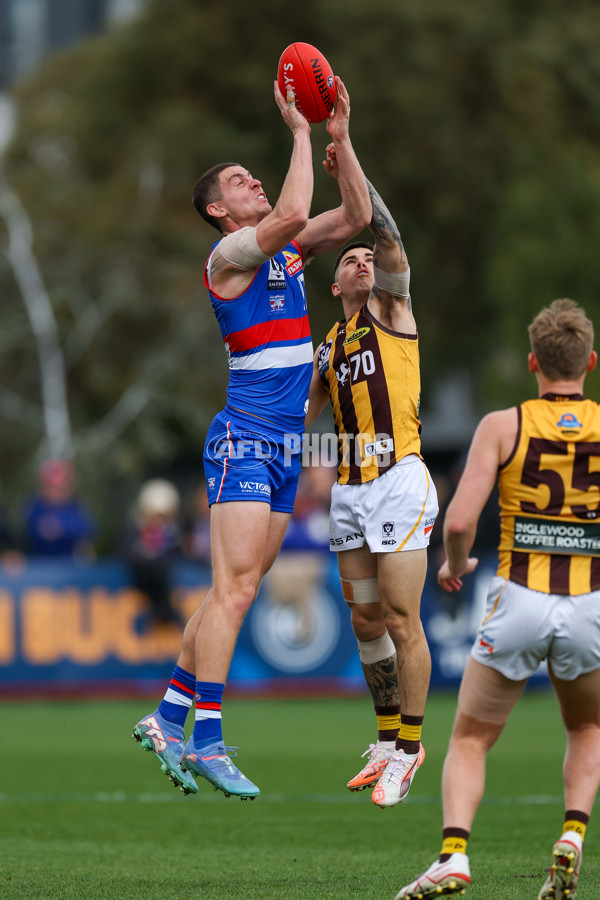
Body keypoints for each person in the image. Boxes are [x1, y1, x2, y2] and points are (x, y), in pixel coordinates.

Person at [132, 77, 370, 799]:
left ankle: (166, 718)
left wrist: (340, 139)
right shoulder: (229, 257)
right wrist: (299, 130)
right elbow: (294, 209)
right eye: (240, 181)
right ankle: (206, 739)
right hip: (244, 438)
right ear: (218, 210)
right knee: (234, 591)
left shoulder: (286, 253)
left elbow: (355, 215)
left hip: (285, 447)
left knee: (234, 590)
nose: (254, 181)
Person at [396, 298, 600, 899]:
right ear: (590, 362)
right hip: (588, 601)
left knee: (470, 738)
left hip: (519, 597)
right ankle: (572, 835)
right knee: (587, 727)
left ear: (533, 363)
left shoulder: (502, 425)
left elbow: (460, 522)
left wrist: (456, 564)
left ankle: (454, 855)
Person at [305, 172, 438, 808]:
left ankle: (410, 749)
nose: (362, 261)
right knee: (365, 620)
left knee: (402, 618)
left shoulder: (391, 310)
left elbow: (391, 242)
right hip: (349, 493)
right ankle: (386, 738)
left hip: (398, 482)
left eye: (367, 257)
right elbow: (302, 421)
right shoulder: (326, 348)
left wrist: (348, 161)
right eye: (349, 260)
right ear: (335, 286)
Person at [122, 479, 183, 627]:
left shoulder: (174, 536)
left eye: (164, 516)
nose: (158, 521)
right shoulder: (134, 535)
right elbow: (125, 555)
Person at [22, 459, 95, 559]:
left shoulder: (76, 507)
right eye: (49, 487)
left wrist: (62, 528)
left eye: (60, 489)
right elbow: (26, 529)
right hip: (39, 564)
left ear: (70, 489)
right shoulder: (34, 507)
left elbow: (90, 529)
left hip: (69, 565)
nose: (54, 493)